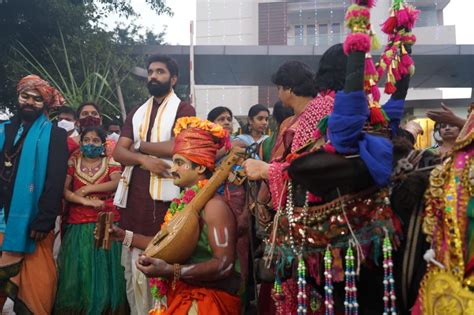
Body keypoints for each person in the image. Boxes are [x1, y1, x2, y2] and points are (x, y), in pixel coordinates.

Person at [111, 117, 240, 314]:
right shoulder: (184, 202)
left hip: (207, 302)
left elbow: (223, 265)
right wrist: (124, 236)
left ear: (200, 167)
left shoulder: (215, 206)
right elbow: (166, 243)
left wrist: (171, 271)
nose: (172, 169)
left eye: (179, 163)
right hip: (182, 294)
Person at [112, 54, 195, 315]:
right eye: (150, 72)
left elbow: (177, 146)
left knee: (162, 255)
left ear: (174, 78)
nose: (153, 76)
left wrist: (138, 147)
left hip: (168, 197)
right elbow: (118, 153)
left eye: (160, 72)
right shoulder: (138, 111)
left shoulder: (184, 110)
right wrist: (144, 160)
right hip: (135, 195)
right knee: (132, 268)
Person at [0, 74, 68, 314]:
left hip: (33, 222)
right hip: (0, 218)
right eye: (25, 96)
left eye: (37, 99)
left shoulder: (55, 135)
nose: (29, 102)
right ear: (18, 97)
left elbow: (56, 178)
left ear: (45, 104)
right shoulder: (3, 130)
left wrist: (45, 218)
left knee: (38, 288)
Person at [55, 126, 127, 314]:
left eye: (95, 141)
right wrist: (83, 200)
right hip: (78, 222)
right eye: (86, 140)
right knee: (81, 268)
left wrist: (87, 190)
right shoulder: (73, 162)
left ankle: (105, 308)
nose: (90, 144)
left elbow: (117, 182)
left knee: (106, 268)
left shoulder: (110, 161)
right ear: (80, 143)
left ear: (103, 144)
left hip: (106, 220)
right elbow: (64, 190)